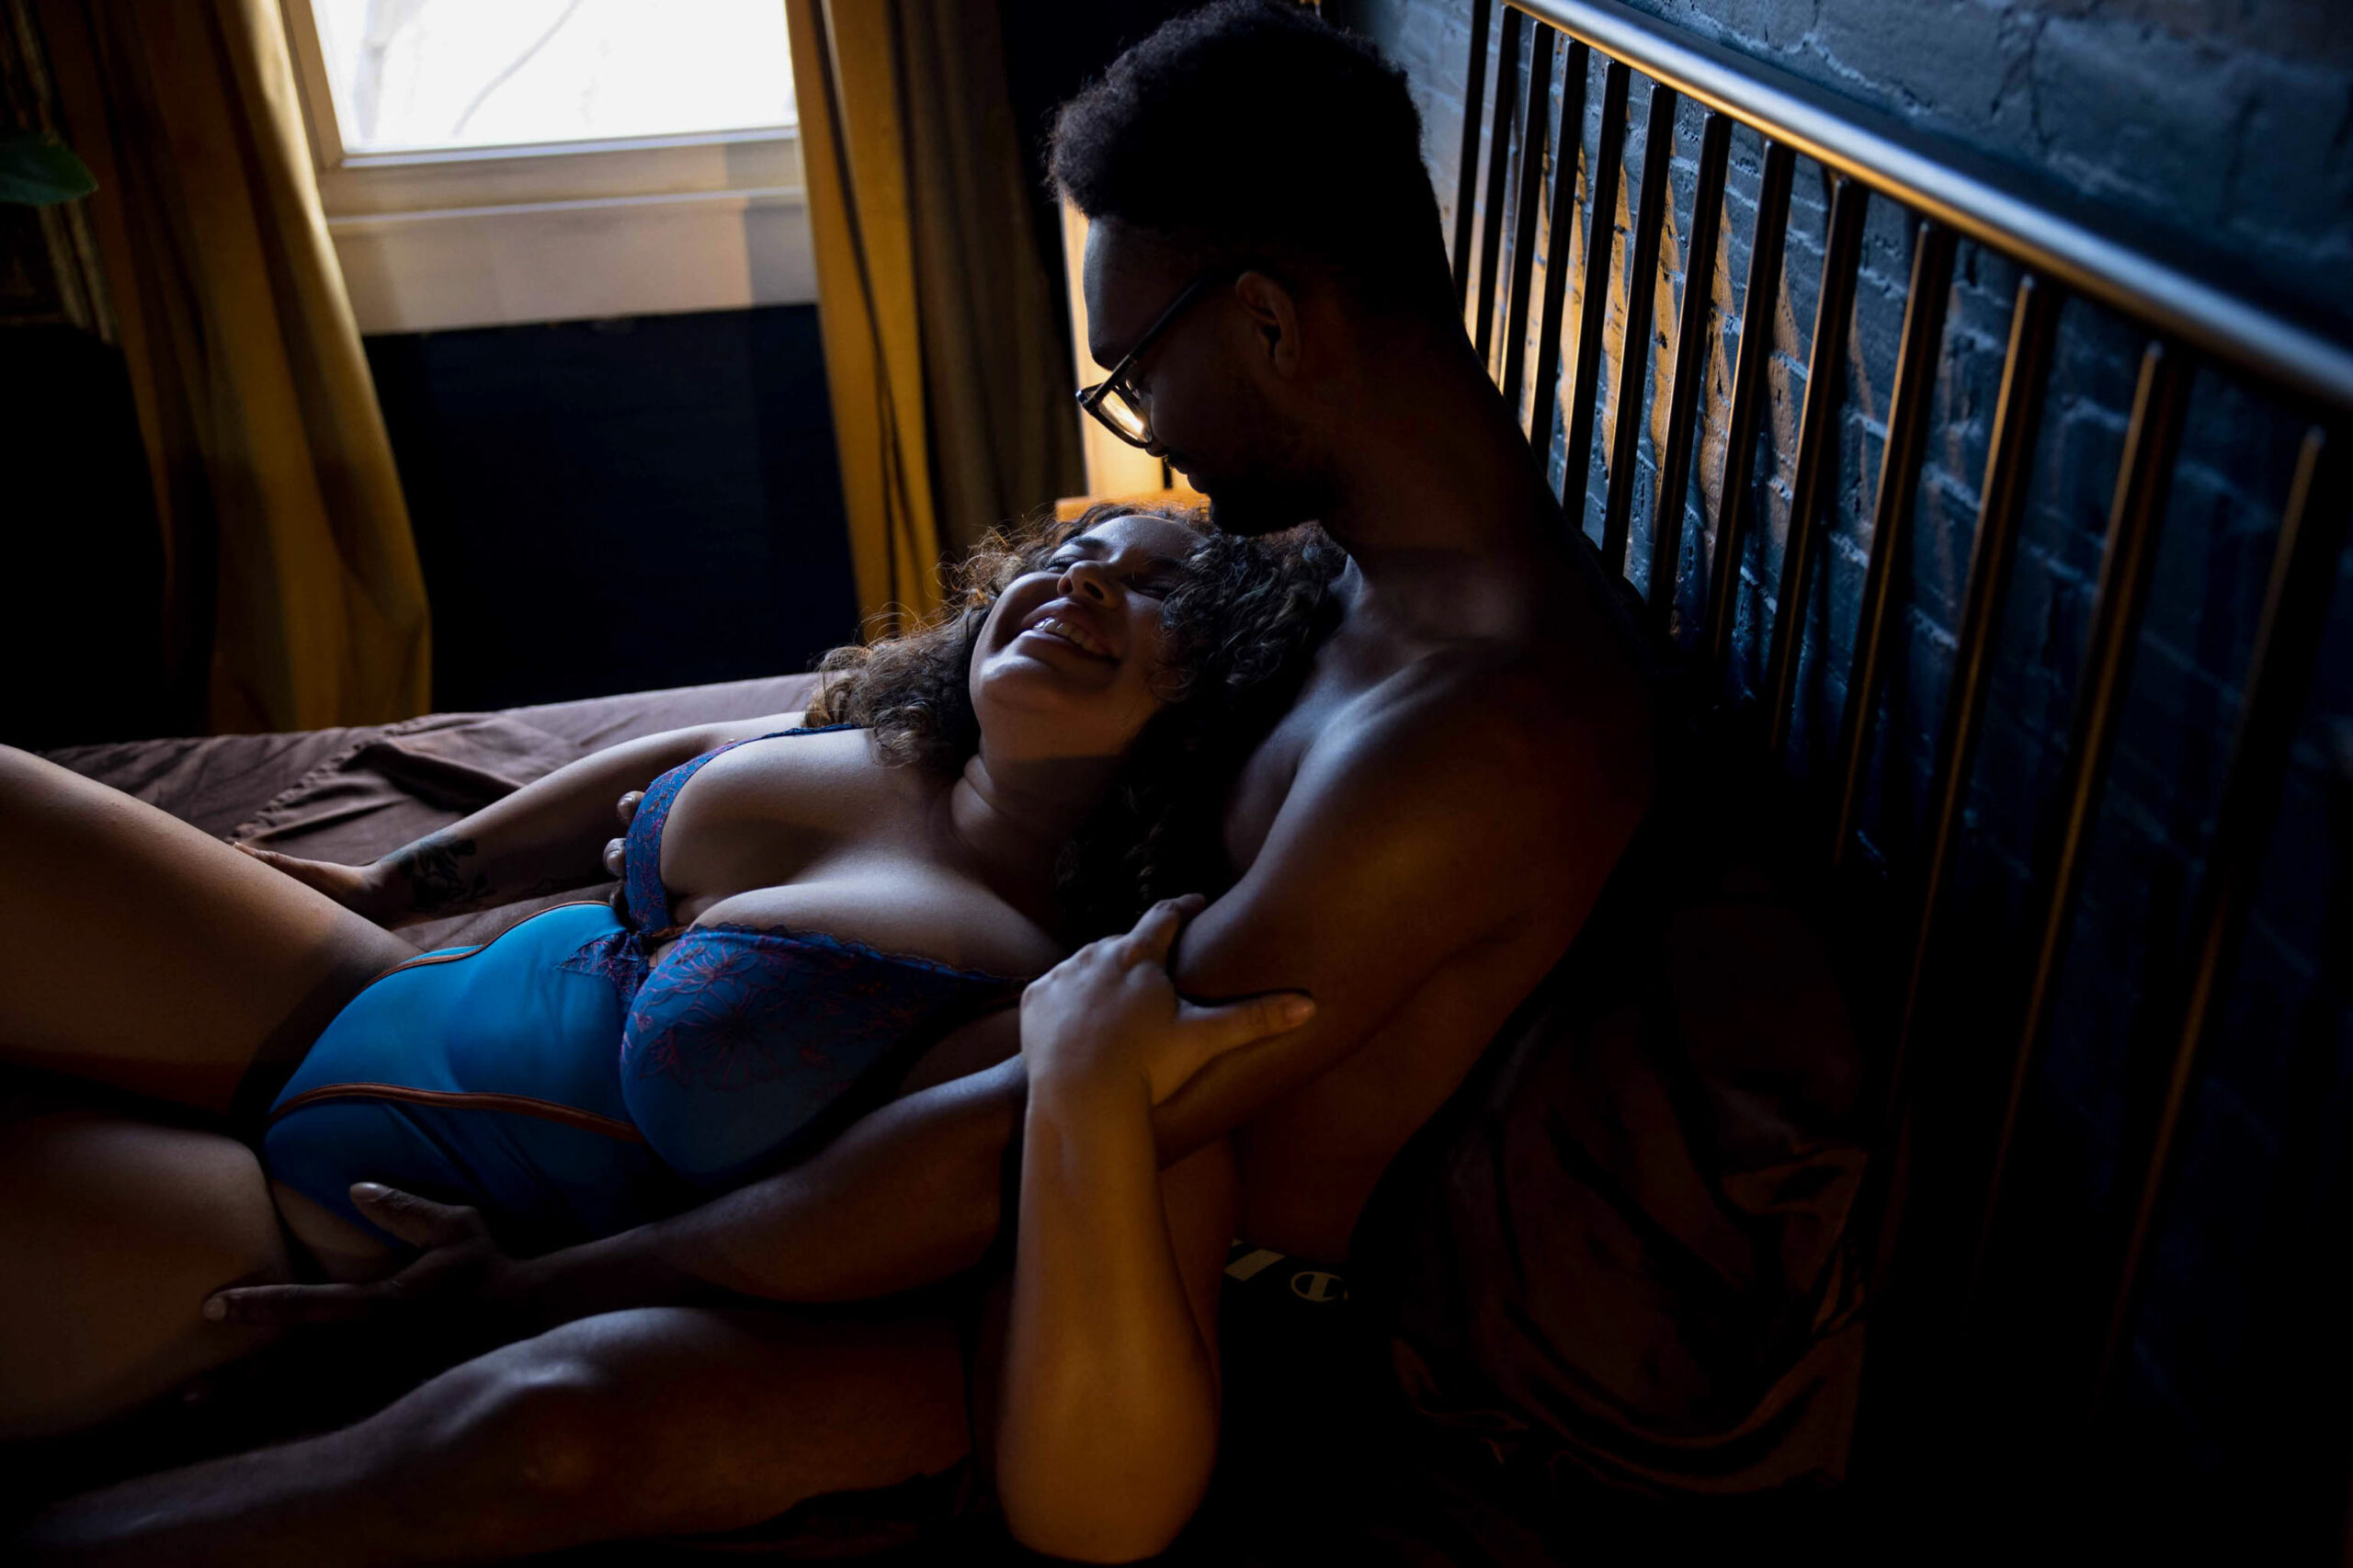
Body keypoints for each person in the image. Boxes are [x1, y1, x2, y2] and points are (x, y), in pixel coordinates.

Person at [15, 3, 1660, 1562]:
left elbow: (1011, 1143)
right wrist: (438, 881)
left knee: (538, 1424)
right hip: (764, 1104)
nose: (1146, 436)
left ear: (1274, 322)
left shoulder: (1476, 740)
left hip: (1073, 1269)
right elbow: (923, 715)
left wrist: (533, 1286)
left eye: (1134, 376)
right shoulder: (1330, 563)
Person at [0, 503, 1331, 1443]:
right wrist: (403, 881)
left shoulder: (1049, 983)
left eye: (1153, 588)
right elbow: (700, 730)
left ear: (1217, 701)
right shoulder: (893, 730)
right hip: (342, 994)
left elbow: (842, 1216)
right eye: (1073, 553)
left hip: (325, 1227)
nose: (1084, 581)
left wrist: (513, 1306)